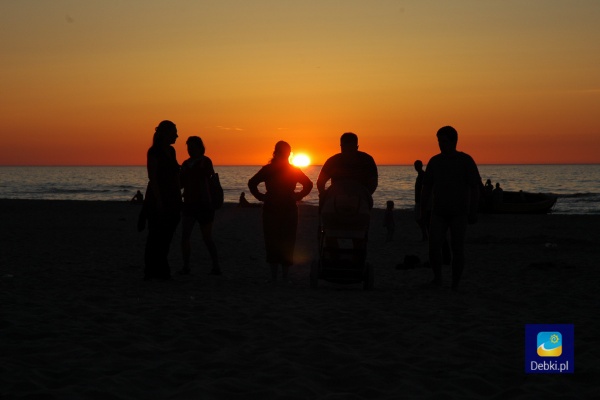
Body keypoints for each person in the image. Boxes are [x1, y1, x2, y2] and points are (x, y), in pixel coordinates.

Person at [421, 126, 481, 290]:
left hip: (459, 212)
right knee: (434, 246)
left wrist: (473, 210)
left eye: (444, 141)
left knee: (457, 248)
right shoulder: (435, 161)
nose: (441, 144)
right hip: (438, 212)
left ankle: (455, 283)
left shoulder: (465, 161)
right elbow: (426, 187)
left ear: (454, 141)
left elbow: (475, 187)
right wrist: (422, 209)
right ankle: (438, 278)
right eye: (439, 141)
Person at [248, 141, 313, 283]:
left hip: (285, 208)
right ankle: (278, 276)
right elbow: (252, 183)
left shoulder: (289, 169)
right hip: (275, 208)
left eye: (287, 153)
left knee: (284, 240)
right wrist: (261, 197)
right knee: (275, 240)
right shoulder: (270, 169)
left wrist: (298, 195)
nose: (285, 155)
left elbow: (308, 184)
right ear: (277, 153)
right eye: (284, 153)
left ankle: (280, 276)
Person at [142, 120, 182, 281]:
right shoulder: (154, 152)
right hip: (159, 198)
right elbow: (153, 178)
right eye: (174, 133)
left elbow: (175, 176)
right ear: (166, 134)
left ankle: (161, 269)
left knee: (166, 236)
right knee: (155, 236)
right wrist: (159, 200)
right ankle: (152, 271)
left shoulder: (171, 151)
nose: (177, 136)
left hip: (172, 198)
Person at [179, 136, 220, 276]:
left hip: (204, 205)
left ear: (200, 147)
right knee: (185, 236)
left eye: (192, 147)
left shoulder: (205, 161)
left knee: (207, 238)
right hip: (189, 204)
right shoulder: (186, 163)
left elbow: (204, 176)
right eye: (189, 147)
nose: (190, 150)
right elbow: (181, 183)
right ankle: (186, 266)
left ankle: (216, 266)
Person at [316, 132, 378, 209]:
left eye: (350, 147)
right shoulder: (332, 161)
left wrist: (364, 196)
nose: (347, 150)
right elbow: (320, 182)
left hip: (359, 201)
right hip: (336, 202)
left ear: (356, 147)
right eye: (344, 147)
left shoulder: (366, 160)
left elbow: (373, 182)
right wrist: (324, 196)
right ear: (341, 146)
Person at [413, 160, 428, 240]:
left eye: (417, 165)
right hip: (419, 200)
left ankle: (425, 234)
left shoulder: (422, 175)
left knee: (420, 218)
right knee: (420, 218)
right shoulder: (421, 175)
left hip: (421, 200)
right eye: (415, 166)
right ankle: (424, 234)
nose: (416, 167)